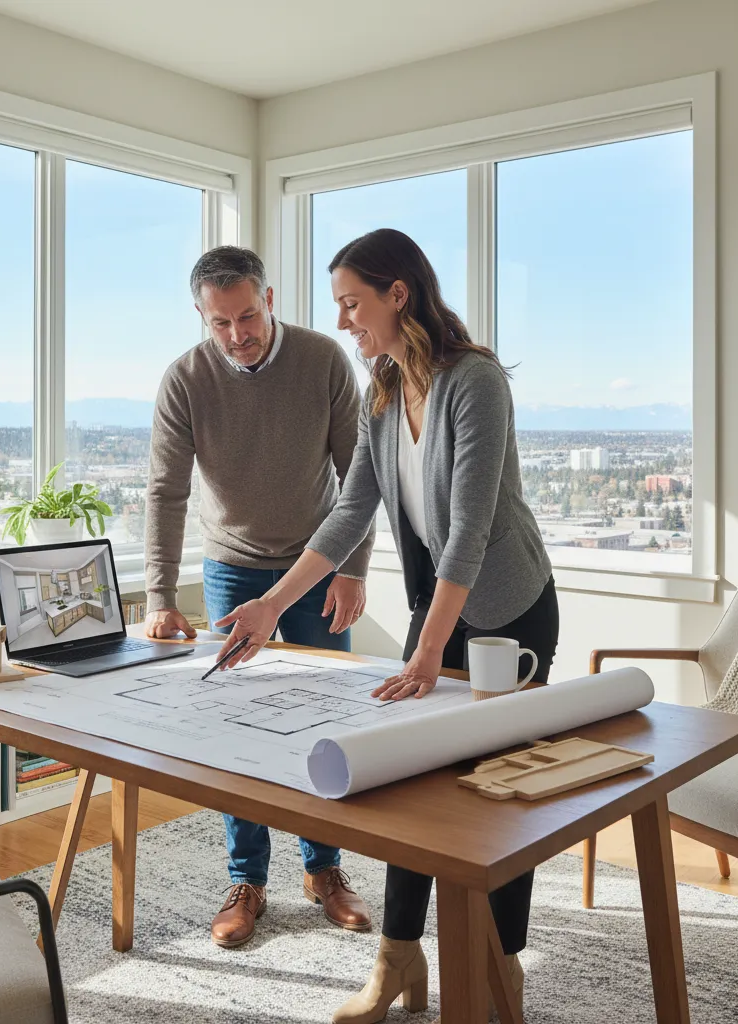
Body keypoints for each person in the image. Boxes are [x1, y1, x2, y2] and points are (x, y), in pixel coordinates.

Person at [211, 228, 559, 1022]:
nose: (342, 322)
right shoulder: (380, 387)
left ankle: (501, 974)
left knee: (496, 793)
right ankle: (399, 961)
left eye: (351, 303)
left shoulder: (474, 383)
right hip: (441, 607)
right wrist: (270, 605)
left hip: (508, 610)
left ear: (398, 294)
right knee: (409, 779)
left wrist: (432, 650)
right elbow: (346, 515)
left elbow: (468, 530)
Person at [144, 245, 375, 949]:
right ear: (200, 317)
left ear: (269, 299)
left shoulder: (324, 361)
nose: (238, 334)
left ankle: (325, 868)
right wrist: (159, 593)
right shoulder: (184, 379)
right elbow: (166, 491)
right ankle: (248, 879)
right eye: (221, 323)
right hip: (234, 572)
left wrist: (352, 568)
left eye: (248, 315)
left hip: (315, 568)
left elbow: (359, 478)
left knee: (321, 720)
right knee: (234, 730)